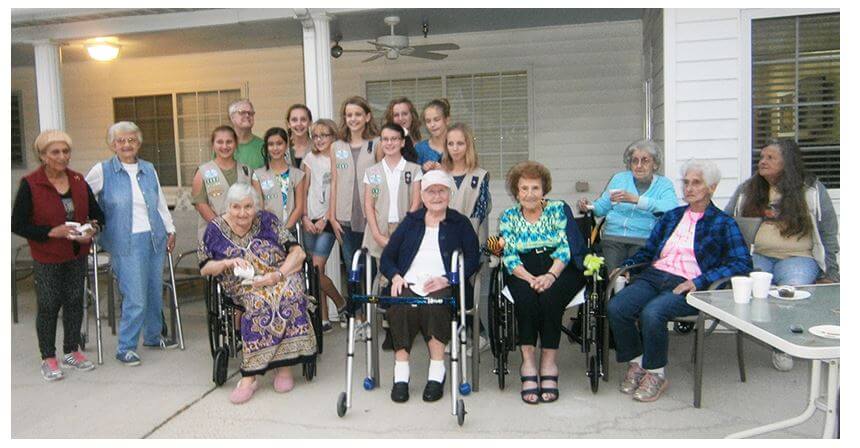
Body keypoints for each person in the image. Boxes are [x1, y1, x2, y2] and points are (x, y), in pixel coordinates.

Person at [607, 159, 752, 402]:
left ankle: (656, 373)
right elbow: (649, 251)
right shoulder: (671, 217)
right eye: (686, 183)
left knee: (652, 313)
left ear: (712, 188)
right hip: (655, 275)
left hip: (691, 284)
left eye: (697, 183)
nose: (689, 188)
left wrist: (701, 280)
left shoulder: (723, 223)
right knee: (617, 307)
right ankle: (638, 362)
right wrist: (626, 266)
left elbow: (742, 263)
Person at [725, 138, 839, 372]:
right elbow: (727, 221)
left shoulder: (811, 189)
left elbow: (828, 231)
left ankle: (783, 346)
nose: (762, 161)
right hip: (758, 255)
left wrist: (831, 272)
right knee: (754, 289)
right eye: (761, 157)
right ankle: (769, 335)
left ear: (787, 162)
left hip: (799, 257)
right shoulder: (748, 190)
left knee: (792, 289)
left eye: (770, 158)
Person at [199, 184, 316, 404]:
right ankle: (249, 376)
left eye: (248, 207)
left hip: (279, 275)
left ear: (256, 206)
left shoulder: (268, 220)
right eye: (236, 207)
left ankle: (284, 367)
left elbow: (297, 252)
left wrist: (277, 276)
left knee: (289, 294)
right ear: (228, 206)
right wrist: (226, 262)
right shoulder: (214, 229)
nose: (242, 213)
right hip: (244, 284)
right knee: (259, 302)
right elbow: (205, 268)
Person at [379, 170, 480, 403]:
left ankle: (437, 373)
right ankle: (401, 375)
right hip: (409, 281)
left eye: (441, 191)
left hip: (444, 283)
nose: (436, 196)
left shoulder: (460, 223)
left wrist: (448, 278)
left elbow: (473, 259)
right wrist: (395, 276)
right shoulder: (411, 221)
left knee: (435, 305)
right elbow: (387, 257)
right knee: (401, 304)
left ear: (449, 194)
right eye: (431, 191)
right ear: (422, 196)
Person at [12, 130, 104, 380]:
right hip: (48, 255)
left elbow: (98, 215)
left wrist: (92, 229)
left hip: (76, 252)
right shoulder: (31, 184)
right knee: (49, 305)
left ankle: (72, 350)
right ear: (42, 156)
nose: (62, 156)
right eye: (55, 152)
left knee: (75, 301)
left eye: (66, 151)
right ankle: (48, 357)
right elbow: (17, 224)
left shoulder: (78, 180)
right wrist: (51, 231)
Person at [86, 121, 178, 366]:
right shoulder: (102, 170)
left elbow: (159, 202)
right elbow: (83, 196)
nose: (127, 145)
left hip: (154, 237)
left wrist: (170, 228)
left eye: (132, 140)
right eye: (121, 141)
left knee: (153, 290)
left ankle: (153, 335)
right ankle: (125, 347)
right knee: (135, 295)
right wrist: (92, 223)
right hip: (125, 241)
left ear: (138, 143)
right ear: (113, 144)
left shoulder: (148, 168)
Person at [498, 161, 587, 405]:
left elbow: (565, 248)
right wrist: (529, 278)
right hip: (522, 269)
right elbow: (510, 256)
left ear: (543, 189)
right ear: (516, 192)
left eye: (534, 188)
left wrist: (550, 275)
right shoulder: (507, 217)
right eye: (524, 188)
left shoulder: (557, 209)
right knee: (526, 298)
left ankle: (548, 362)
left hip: (559, 266)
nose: (529, 194)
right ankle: (528, 361)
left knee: (550, 298)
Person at [578, 140, 678, 273]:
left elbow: (671, 208)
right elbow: (601, 207)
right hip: (613, 237)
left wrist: (637, 200)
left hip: (644, 239)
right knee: (613, 277)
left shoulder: (663, 184)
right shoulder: (620, 179)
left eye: (645, 161)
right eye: (634, 161)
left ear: (655, 164)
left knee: (635, 277)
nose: (639, 165)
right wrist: (588, 206)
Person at [440, 122, 492, 353]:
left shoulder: (479, 176)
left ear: (468, 145)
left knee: (466, 285)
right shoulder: (439, 174)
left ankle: (477, 333)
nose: (455, 148)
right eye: (450, 143)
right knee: (449, 287)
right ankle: (457, 331)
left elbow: (479, 212)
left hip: (472, 239)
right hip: (444, 241)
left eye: (460, 143)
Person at [300, 119, 347, 333]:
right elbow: (304, 188)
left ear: (334, 136)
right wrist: (305, 217)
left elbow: (339, 190)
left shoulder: (339, 158)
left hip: (329, 220)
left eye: (324, 135)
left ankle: (340, 303)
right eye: (316, 135)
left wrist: (326, 219)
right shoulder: (310, 158)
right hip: (311, 218)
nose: (319, 140)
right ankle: (324, 318)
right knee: (315, 270)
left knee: (317, 269)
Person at [330, 96, 380, 272]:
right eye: (349, 115)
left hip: (371, 217)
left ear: (367, 117)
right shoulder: (337, 146)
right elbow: (335, 181)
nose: (353, 119)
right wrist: (332, 217)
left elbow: (381, 180)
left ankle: (372, 301)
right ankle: (355, 300)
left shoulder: (377, 144)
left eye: (358, 114)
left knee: (372, 267)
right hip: (344, 218)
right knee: (353, 268)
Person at [362, 123, 423, 259]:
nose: (389, 143)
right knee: (384, 273)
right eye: (385, 139)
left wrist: (404, 230)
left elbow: (416, 202)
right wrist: (377, 235)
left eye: (394, 139)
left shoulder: (414, 170)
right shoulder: (372, 172)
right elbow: (369, 206)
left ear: (402, 142)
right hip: (380, 229)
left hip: (406, 228)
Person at [191, 125, 252, 241]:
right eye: (220, 142)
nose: (224, 146)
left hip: (244, 236)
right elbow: (201, 205)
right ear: (213, 145)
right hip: (214, 237)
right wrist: (226, 229)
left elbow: (253, 204)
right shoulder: (202, 172)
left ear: (236, 144)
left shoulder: (247, 171)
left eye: (229, 142)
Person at [252, 127, 306, 231]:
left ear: (286, 146)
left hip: (290, 230)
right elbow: (259, 208)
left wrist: (284, 230)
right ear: (266, 147)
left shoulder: (297, 174)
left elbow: (299, 207)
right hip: (267, 230)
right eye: (271, 144)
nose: (275, 148)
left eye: (279, 143)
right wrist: (272, 230)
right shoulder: (257, 175)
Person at [415, 98, 451, 172]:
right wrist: (423, 170)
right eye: (428, 121)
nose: (432, 124)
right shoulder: (420, 149)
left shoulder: (457, 147)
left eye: (437, 120)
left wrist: (445, 171)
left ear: (447, 120)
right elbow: (412, 178)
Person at [229, 98, 265, 170]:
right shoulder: (223, 146)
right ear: (232, 118)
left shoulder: (263, 146)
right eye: (242, 112)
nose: (247, 115)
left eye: (250, 113)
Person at [383, 97, 421, 163]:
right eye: (396, 115)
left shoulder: (421, 144)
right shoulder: (385, 145)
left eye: (405, 114)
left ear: (412, 116)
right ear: (391, 119)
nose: (400, 118)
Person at [285, 104, 313, 168]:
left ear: (310, 122)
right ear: (288, 124)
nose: (299, 123)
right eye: (294, 120)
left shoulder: (317, 148)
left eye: (303, 119)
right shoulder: (281, 150)